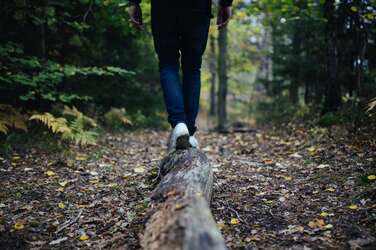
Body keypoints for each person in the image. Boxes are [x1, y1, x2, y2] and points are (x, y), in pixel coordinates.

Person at [128, 0, 232, 152]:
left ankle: (179, 125)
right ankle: (188, 131)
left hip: (163, 7)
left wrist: (134, 3)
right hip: (198, 7)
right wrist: (226, 4)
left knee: (168, 64)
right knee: (192, 68)